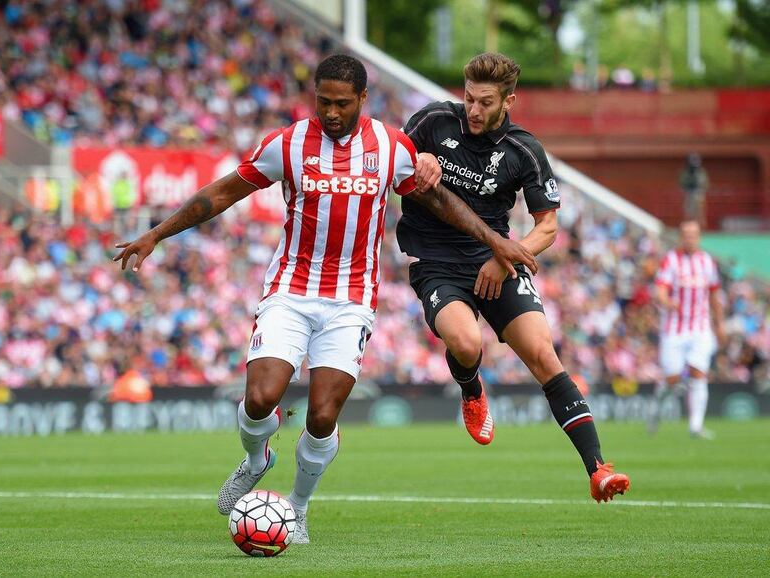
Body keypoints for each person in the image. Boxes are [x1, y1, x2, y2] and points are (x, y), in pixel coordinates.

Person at [113, 54, 537, 543]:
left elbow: (440, 200)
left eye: (341, 103)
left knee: (321, 416)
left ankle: (297, 508)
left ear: (362, 99)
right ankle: (256, 459)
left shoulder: (389, 147)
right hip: (291, 290)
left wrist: (494, 241)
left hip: (351, 299)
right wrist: (157, 234)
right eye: (323, 102)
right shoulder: (287, 144)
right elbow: (223, 193)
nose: (331, 113)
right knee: (260, 399)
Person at [397, 52, 630, 502]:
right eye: (468, 98)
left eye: (485, 102)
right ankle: (471, 389)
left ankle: (597, 468)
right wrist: (419, 158)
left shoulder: (524, 149)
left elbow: (548, 226)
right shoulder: (432, 121)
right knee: (466, 345)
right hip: (436, 263)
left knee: (544, 354)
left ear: (509, 101)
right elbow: (393, 162)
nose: (474, 110)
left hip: (496, 262)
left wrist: (504, 259)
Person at [647, 220, 724, 438]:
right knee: (672, 379)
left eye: (694, 235)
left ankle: (695, 426)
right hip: (675, 329)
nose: (690, 238)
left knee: (698, 373)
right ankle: (655, 410)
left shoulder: (707, 262)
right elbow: (660, 289)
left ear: (699, 237)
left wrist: (720, 324)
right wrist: (667, 302)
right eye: (686, 235)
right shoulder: (671, 260)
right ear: (681, 237)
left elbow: (715, 295)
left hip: (700, 328)